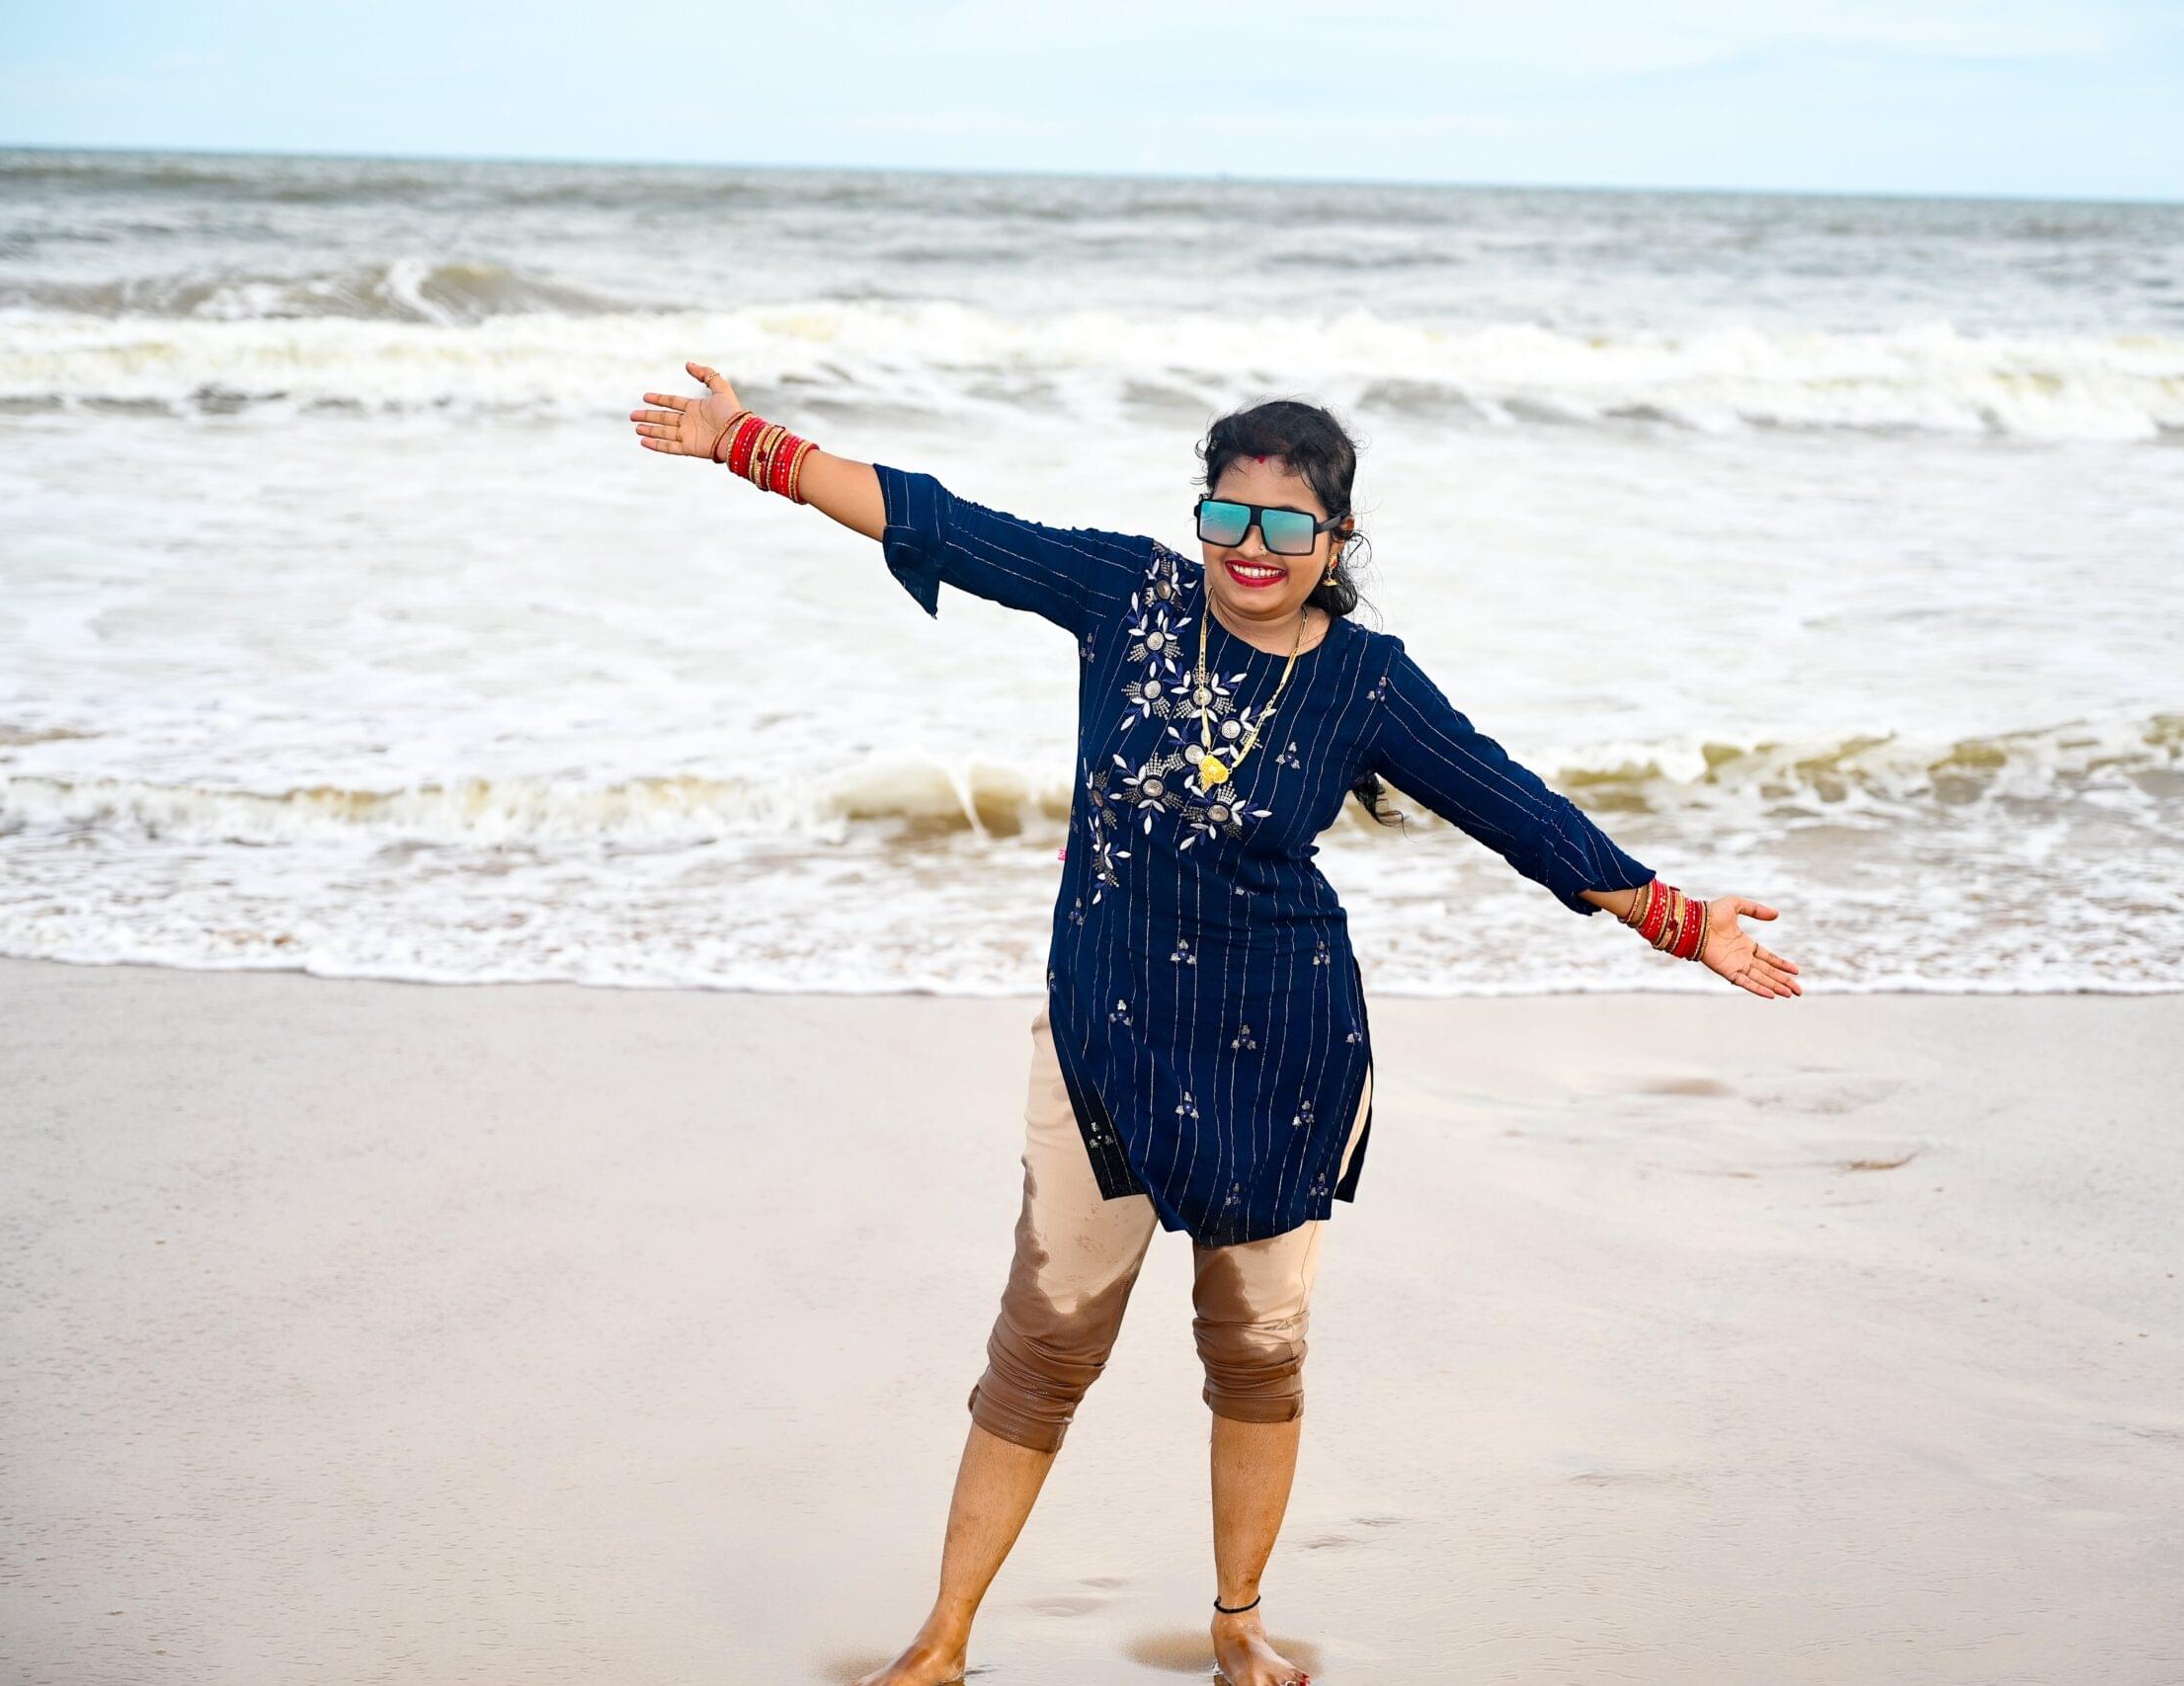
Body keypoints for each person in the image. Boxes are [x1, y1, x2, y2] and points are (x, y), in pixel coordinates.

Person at [629, 365, 1803, 1686]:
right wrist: (751, 447)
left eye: (1289, 528)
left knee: (1254, 1353)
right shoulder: (1125, 597)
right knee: (1045, 1344)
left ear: (1336, 543)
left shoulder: (1366, 683)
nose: (1254, 551)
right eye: (1229, 519)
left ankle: (1238, 1622)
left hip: (1277, 1047)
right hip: (1107, 1040)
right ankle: (942, 1640)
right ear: (1199, 521)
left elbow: (1509, 803)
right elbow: (938, 518)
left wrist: (1677, 918)